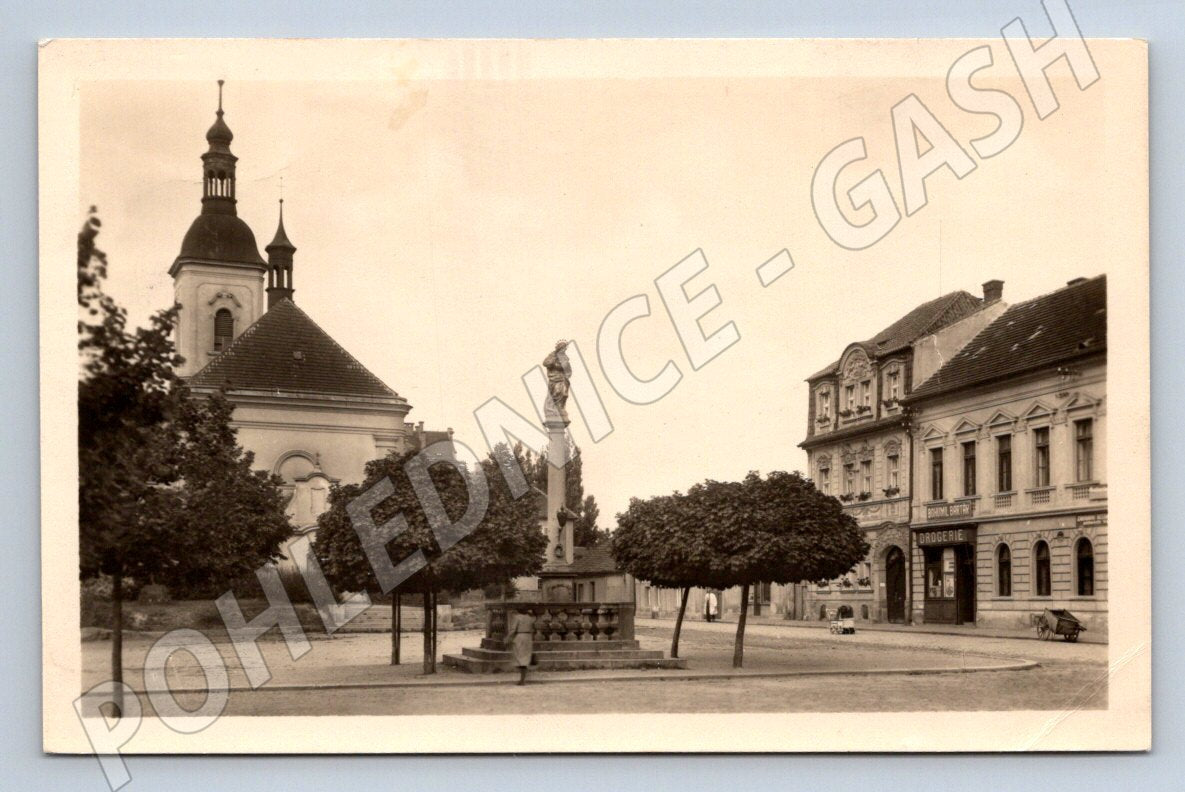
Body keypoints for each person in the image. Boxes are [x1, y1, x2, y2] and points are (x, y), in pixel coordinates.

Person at [507, 608, 536, 685]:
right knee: (525, 657)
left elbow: (513, 629)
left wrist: (508, 638)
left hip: (520, 636)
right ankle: (523, 678)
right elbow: (533, 629)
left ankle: (522, 679)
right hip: (528, 637)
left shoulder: (517, 617)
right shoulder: (530, 618)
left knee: (519, 657)